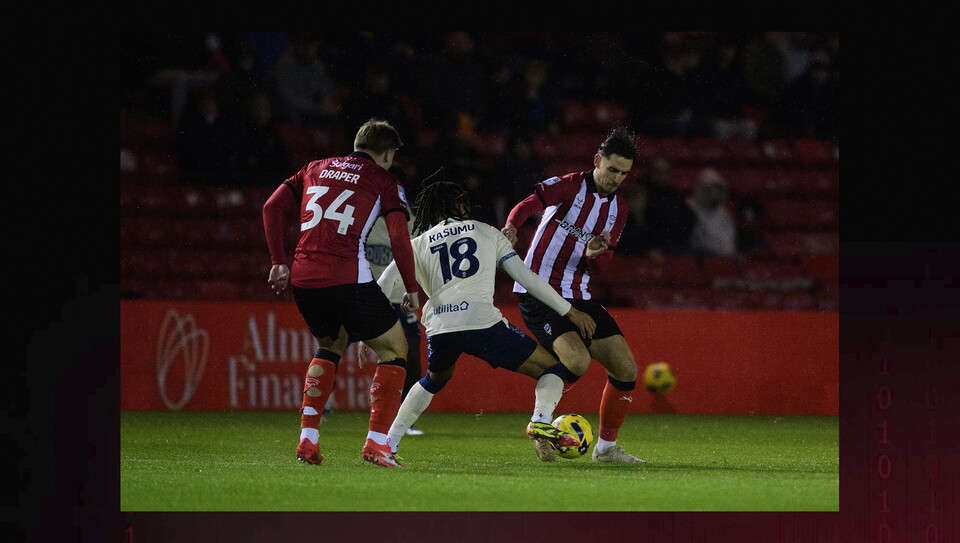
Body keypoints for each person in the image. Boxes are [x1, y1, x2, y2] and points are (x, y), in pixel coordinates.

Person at [376, 175, 598, 461]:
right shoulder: (487, 232)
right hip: (483, 324)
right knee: (552, 369)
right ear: (459, 205)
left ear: (432, 211)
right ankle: (541, 421)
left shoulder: (416, 243)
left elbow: (382, 286)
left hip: (442, 327)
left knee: (433, 380)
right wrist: (570, 311)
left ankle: (388, 444)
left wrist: (373, 331)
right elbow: (528, 280)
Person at [261, 118, 420, 468]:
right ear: (388, 153)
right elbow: (398, 237)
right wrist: (411, 287)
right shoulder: (384, 180)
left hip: (304, 278)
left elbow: (272, 208)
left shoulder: (313, 168)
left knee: (330, 346)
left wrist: (278, 262)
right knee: (396, 349)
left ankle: (308, 439)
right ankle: (377, 444)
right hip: (348, 276)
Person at [500, 126, 645, 463]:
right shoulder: (570, 185)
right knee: (576, 360)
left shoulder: (618, 210)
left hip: (577, 294)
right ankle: (540, 426)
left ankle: (606, 450)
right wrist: (511, 226)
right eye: (612, 170)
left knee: (626, 369)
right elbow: (528, 204)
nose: (616, 179)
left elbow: (603, 263)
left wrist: (596, 255)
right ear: (597, 161)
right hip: (538, 290)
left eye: (624, 173)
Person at [617, 155, 695, 260]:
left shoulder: (673, 194)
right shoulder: (640, 190)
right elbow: (632, 233)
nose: (661, 175)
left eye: (664, 171)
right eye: (657, 171)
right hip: (641, 251)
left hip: (671, 247)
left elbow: (687, 219)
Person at [686, 167, 738, 258]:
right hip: (699, 258)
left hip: (724, 259)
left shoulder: (723, 212)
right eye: (710, 189)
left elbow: (729, 240)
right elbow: (696, 239)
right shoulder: (689, 208)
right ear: (701, 189)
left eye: (717, 189)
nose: (714, 193)